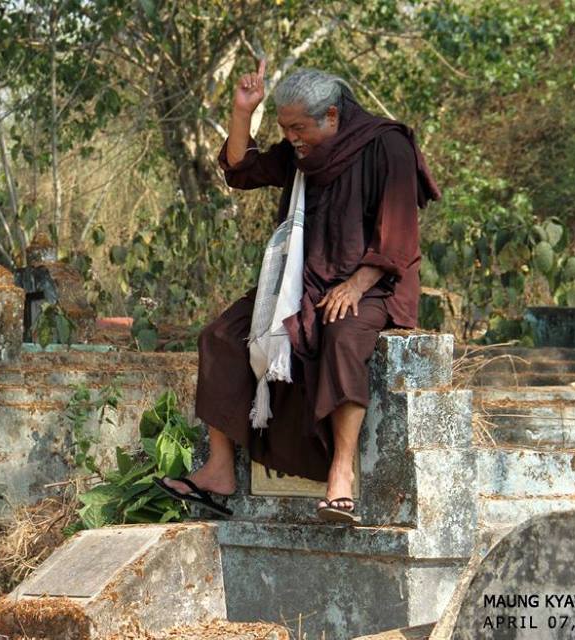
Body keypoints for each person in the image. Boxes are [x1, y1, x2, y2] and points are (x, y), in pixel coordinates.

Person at [159, 61, 439, 522]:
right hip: (302, 280)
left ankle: (341, 473)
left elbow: (399, 237)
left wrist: (356, 284)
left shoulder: (386, 145)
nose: (292, 138)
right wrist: (241, 111)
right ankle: (220, 469)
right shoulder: (301, 153)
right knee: (221, 336)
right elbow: (242, 170)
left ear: (332, 116)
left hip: (374, 284)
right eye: (285, 128)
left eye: (299, 128)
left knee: (342, 338)